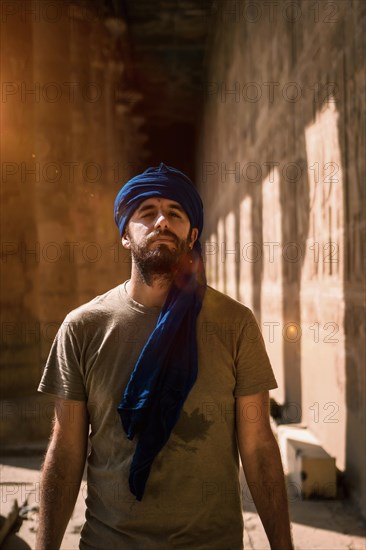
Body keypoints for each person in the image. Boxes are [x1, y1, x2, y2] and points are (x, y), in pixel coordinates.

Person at [36, 163, 293, 550]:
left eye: (174, 213)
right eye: (146, 212)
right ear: (125, 234)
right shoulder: (83, 328)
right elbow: (67, 450)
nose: (161, 221)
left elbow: (257, 446)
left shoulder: (234, 323)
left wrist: (283, 547)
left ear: (191, 236)